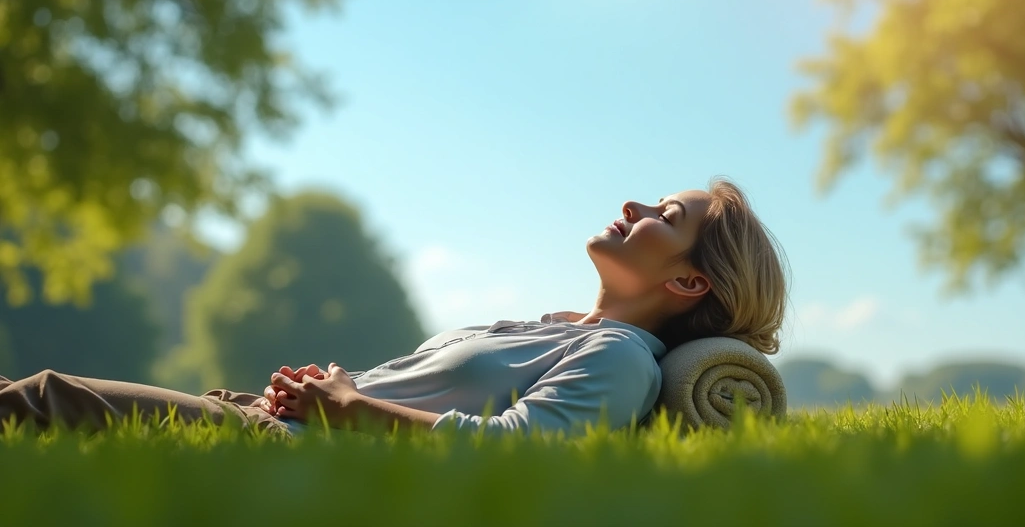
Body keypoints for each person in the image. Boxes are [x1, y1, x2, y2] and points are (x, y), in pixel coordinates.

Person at [0, 178, 788, 437]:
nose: (633, 204)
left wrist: (351, 409)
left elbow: (515, 454)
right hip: (279, 425)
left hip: (291, 456)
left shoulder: (617, 360)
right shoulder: (553, 329)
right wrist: (331, 392)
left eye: (665, 216)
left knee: (47, 398)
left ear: (690, 283)